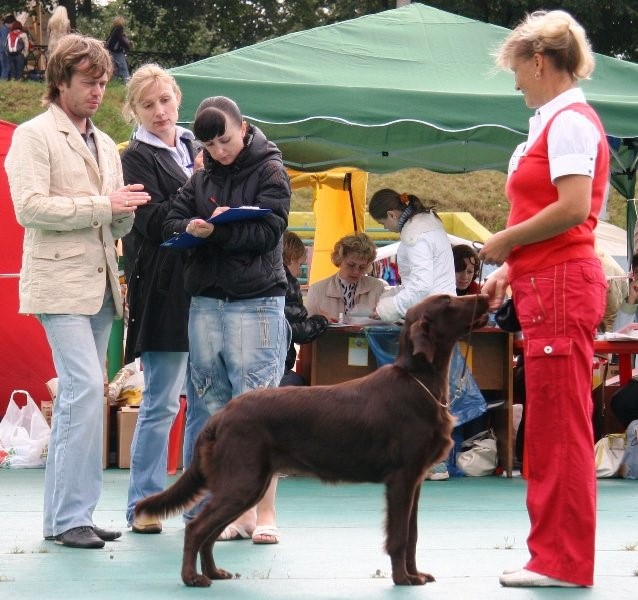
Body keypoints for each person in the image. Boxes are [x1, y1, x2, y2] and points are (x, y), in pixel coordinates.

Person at [479, 10, 609, 588]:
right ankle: (552, 554)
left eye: (517, 68)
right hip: (545, 282)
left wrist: (506, 241)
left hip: (560, 286)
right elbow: (553, 217)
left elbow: (575, 209)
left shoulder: (570, 122)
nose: (515, 82)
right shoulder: (552, 123)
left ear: (539, 61)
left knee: (559, 427)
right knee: (554, 423)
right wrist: (513, 264)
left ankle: (561, 560)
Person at [5, 33, 150, 549]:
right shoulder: (32, 135)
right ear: (60, 81)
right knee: (84, 392)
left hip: (103, 287)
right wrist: (104, 205)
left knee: (84, 398)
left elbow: (115, 224)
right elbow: (30, 209)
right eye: (88, 82)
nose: (97, 92)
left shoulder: (107, 143)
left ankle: (70, 516)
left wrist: (127, 213)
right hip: (58, 285)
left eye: (104, 83)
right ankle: (69, 518)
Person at [163, 95, 290, 545]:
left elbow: (270, 231)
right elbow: (170, 219)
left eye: (226, 140)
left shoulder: (271, 169)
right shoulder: (201, 174)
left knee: (259, 410)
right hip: (206, 303)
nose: (220, 150)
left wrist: (217, 231)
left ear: (244, 126)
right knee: (210, 408)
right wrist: (189, 228)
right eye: (211, 144)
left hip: (255, 303)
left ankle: (266, 513)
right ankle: (228, 512)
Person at [119, 64, 209, 534]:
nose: (159, 111)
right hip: (163, 291)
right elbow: (152, 222)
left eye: (165, 101)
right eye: (147, 104)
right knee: (161, 403)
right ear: (133, 109)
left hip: (207, 289)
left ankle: (198, 503)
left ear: (178, 98)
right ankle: (145, 502)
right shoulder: (134, 156)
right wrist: (197, 195)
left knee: (206, 400)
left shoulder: (197, 144)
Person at [368, 189, 456, 323]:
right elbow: (417, 282)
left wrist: (389, 309)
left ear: (391, 215)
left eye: (382, 223)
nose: (385, 228)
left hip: (431, 319)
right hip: (442, 312)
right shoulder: (427, 228)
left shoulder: (415, 236)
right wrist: (388, 296)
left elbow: (421, 285)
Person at [280, 230, 329, 386]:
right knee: (299, 384)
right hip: (277, 366)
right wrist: (322, 320)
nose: (300, 270)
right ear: (291, 259)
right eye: (300, 264)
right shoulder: (287, 282)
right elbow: (299, 331)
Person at [304, 232, 386, 322]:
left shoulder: (377, 288)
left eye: (362, 267)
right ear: (339, 259)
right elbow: (308, 327)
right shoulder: (317, 290)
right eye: (351, 265)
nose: (356, 271)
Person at [105, 16, 131, 82]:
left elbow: (109, 39)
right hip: (117, 51)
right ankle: (127, 82)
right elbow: (121, 39)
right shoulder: (119, 28)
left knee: (115, 67)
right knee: (123, 67)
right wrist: (127, 45)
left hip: (110, 50)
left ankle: (114, 81)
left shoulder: (114, 28)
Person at [0, 14, 16, 80]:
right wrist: (7, 52)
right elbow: (4, 42)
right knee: (6, 68)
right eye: (13, 23)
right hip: (4, 52)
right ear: (10, 22)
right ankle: (3, 82)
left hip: (3, 51)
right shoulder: (4, 29)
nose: (13, 25)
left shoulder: (4, 28)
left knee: (4, 68)